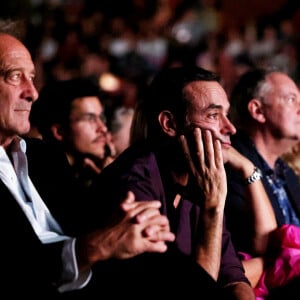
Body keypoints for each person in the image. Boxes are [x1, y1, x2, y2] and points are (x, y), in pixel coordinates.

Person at [0, 31, 176, 297]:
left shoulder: (44, 156)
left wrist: (124, 219)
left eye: (32, 78)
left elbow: (85, 221)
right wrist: (91, 248)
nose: (32, 93)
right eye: (15, 76)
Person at [90, 66, 256, 299]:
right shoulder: (133, 184)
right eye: (213, 116)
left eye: (226, 115)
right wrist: (213, 206)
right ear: (169, 124)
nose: (230, 128)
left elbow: (234, 276)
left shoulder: (199, 175)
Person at [225, 67, 300, 298]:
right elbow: (264, 247)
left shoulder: (286, 171)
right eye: (291, 99)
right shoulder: (231, 165)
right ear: (257, 110)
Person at [29, 76, 115, 188]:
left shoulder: (89, 174)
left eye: (101, 118)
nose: (103, 128)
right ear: (59, 132)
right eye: (90, 119)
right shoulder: (44, 184)